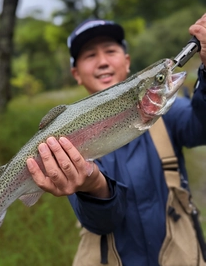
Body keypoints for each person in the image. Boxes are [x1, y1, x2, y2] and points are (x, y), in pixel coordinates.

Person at [26, 15, 206, 265]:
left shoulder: (167, 113)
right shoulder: (66, 137)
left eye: (110, 51)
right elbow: (101, 223)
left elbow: (201, 127)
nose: (102, 62)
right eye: (90, 55)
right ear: (76, 74)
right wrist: (93, 187)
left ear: (127, 61)